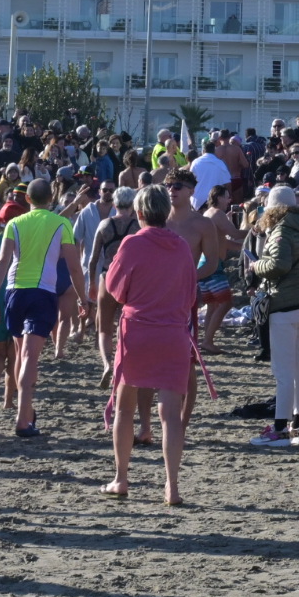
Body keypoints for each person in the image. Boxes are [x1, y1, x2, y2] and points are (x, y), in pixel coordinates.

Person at [101, 182, 201, 505]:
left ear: (140, 213)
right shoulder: (183, 247)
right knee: (170, 414)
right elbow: (191, 296)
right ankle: (172, 486)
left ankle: (121, 478)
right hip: (173, 333)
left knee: (125, 408)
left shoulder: (132, 244)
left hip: (139, 332)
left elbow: (115, 289)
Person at [248, 184, 299, 451]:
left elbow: (277, 265)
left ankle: (280, 428)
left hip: (285, 305)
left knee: (283, 371)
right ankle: (298, 424)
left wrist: (256, 265)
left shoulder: (281, 230)